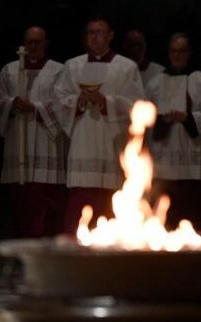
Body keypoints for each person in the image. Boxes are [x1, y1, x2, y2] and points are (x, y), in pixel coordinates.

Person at [54, 17, 145, 233]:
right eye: (91, 33)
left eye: (100, 32)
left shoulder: (126, 67)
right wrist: (78, 101)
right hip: (82, 141)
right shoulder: (72, 65)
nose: (95, 37)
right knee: (80, 199)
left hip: (111, 142)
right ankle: (75, 249)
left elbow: (137, 105)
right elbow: (58, 101)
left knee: (110, 201)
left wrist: (107, 102)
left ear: (110, 35)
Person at [0, 26, 68, 238]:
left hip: (46, 142)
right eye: (29, 42)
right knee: (20, 200)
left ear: (45, 43)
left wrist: (36, 108)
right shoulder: (9, 70)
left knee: (44, 198)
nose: (32, 46)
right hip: (17, 143)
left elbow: (64, 104)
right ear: (23, 44)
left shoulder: (59, 71)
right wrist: (12, 104)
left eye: (37, 42)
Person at [145, 33, 201, 232]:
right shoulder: (156, 83)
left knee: (194, 217)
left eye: (181, 51)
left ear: (189, 53)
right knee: (166, 218)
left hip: (192, 162)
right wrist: (164, 119)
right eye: (173, 51)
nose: (177, 56)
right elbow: (145, 116)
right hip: (164, 161)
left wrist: (189, 118)